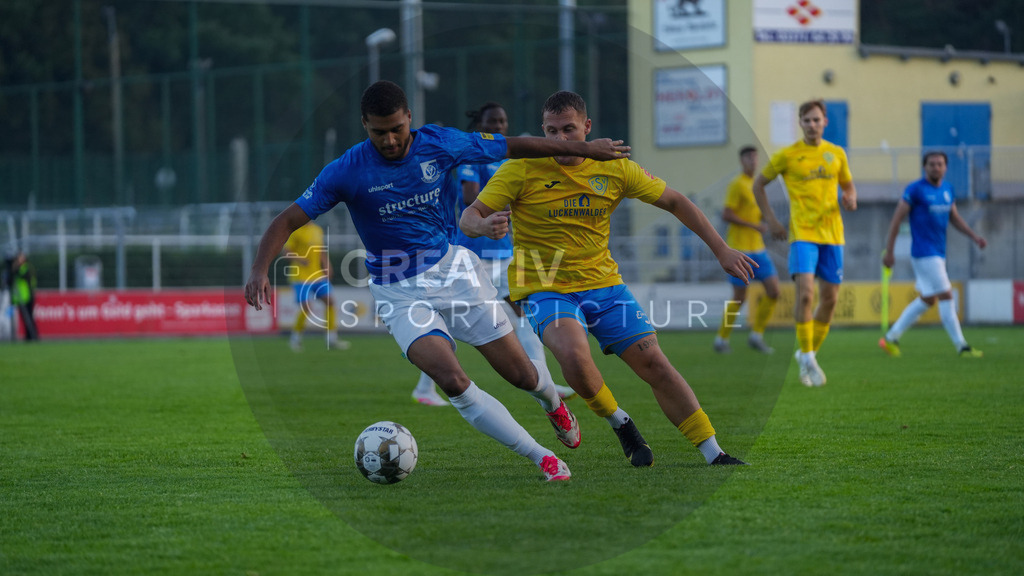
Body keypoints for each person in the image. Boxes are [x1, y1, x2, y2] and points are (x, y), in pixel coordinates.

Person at [245, 80, 630, 482]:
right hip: (397, 290)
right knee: (454, 382)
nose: (391, 140)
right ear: (364, 126)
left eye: (397, 128)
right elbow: (287, 219)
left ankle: (551, 400)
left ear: (409, 117)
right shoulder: (345, 170)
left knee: (522, 376)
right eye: (379, 132)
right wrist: (259, 269)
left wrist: (585, 150)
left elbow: (516, 145)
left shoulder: (441, 143)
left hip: (454, 273)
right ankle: (542, 457)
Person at [460, 90, 754, 467]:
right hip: (545, 286)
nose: (560, 140)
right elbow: (469, 215)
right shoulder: (521, 168)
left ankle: (714, 453)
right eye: (551, 131)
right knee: (573, 357)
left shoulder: (615, 168)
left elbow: (676, 201)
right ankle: (621, 422)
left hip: (604, 284)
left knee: (656, 365)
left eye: (569, 129)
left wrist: (722, 250)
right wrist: (484, 225)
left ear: (587, 127)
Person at [411, 102, 576, 406]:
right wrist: (509, 205)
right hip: (475, 252)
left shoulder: (509, 158)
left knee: (525, 314)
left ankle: (547, 381)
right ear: (481, 127)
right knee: (452, 318)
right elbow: (470, 197)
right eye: (492, 122)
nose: (498, 127)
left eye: (502, 121)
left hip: (504, 251)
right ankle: (424, 388)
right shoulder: (472, 158)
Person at [752, 99, 858, 387]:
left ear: (825, 122)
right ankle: (808, 356)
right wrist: (772, 221)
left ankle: (806, 356)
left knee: (830, 300)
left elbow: (848, 186)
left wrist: (851, 198)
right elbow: (758, 184)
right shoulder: (788, 155)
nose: (812, 125)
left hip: (833, 235)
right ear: (800, 123)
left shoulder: (836, 154)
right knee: (806, 295)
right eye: (806, 120)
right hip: (803, 236)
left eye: (816, 120)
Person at [879, 151, 986, 358]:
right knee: (946, 294)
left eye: (940, 164)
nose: (936, 167)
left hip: (938, 253)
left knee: (928, 299)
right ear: (924, 167)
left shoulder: (947, 190)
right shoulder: (915, 190)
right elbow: (896, 220)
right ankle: (961, 346)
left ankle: (891, 338)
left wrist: (974, 237)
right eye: (932, 164)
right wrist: (889, 251)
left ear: (945, 167)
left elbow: (954, 218)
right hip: (924, 253)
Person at [713, 145, 780, 355]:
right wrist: (754, 226)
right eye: (748, 157)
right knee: (739, 297)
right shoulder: (737, 184)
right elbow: (726, 214)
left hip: (758, 248)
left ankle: (756, 335)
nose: (752, 160)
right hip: (740, 249)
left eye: (755, 157)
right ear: (741, 161)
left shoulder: (756, 185)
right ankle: (721, 339)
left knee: (774, 291)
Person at [282, 220, 351, 351]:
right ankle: (295, 338)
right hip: (300, 277)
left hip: (317, 275)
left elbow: (321, 251)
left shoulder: (317, 229)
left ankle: (332, 339)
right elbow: (285, 252)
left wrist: (327, 265)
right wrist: (300, 259)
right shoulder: (295, 231)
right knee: (306, 308)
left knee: (330, 301)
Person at [10, 251, 39, 341]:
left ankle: (33, 336)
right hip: (20, 297)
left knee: (29, 317)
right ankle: (28, 336)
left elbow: (24, 276)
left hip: (28, 296)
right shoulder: (16, 268)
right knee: (25, 318)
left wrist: (16, 268)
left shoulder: (26, 267)